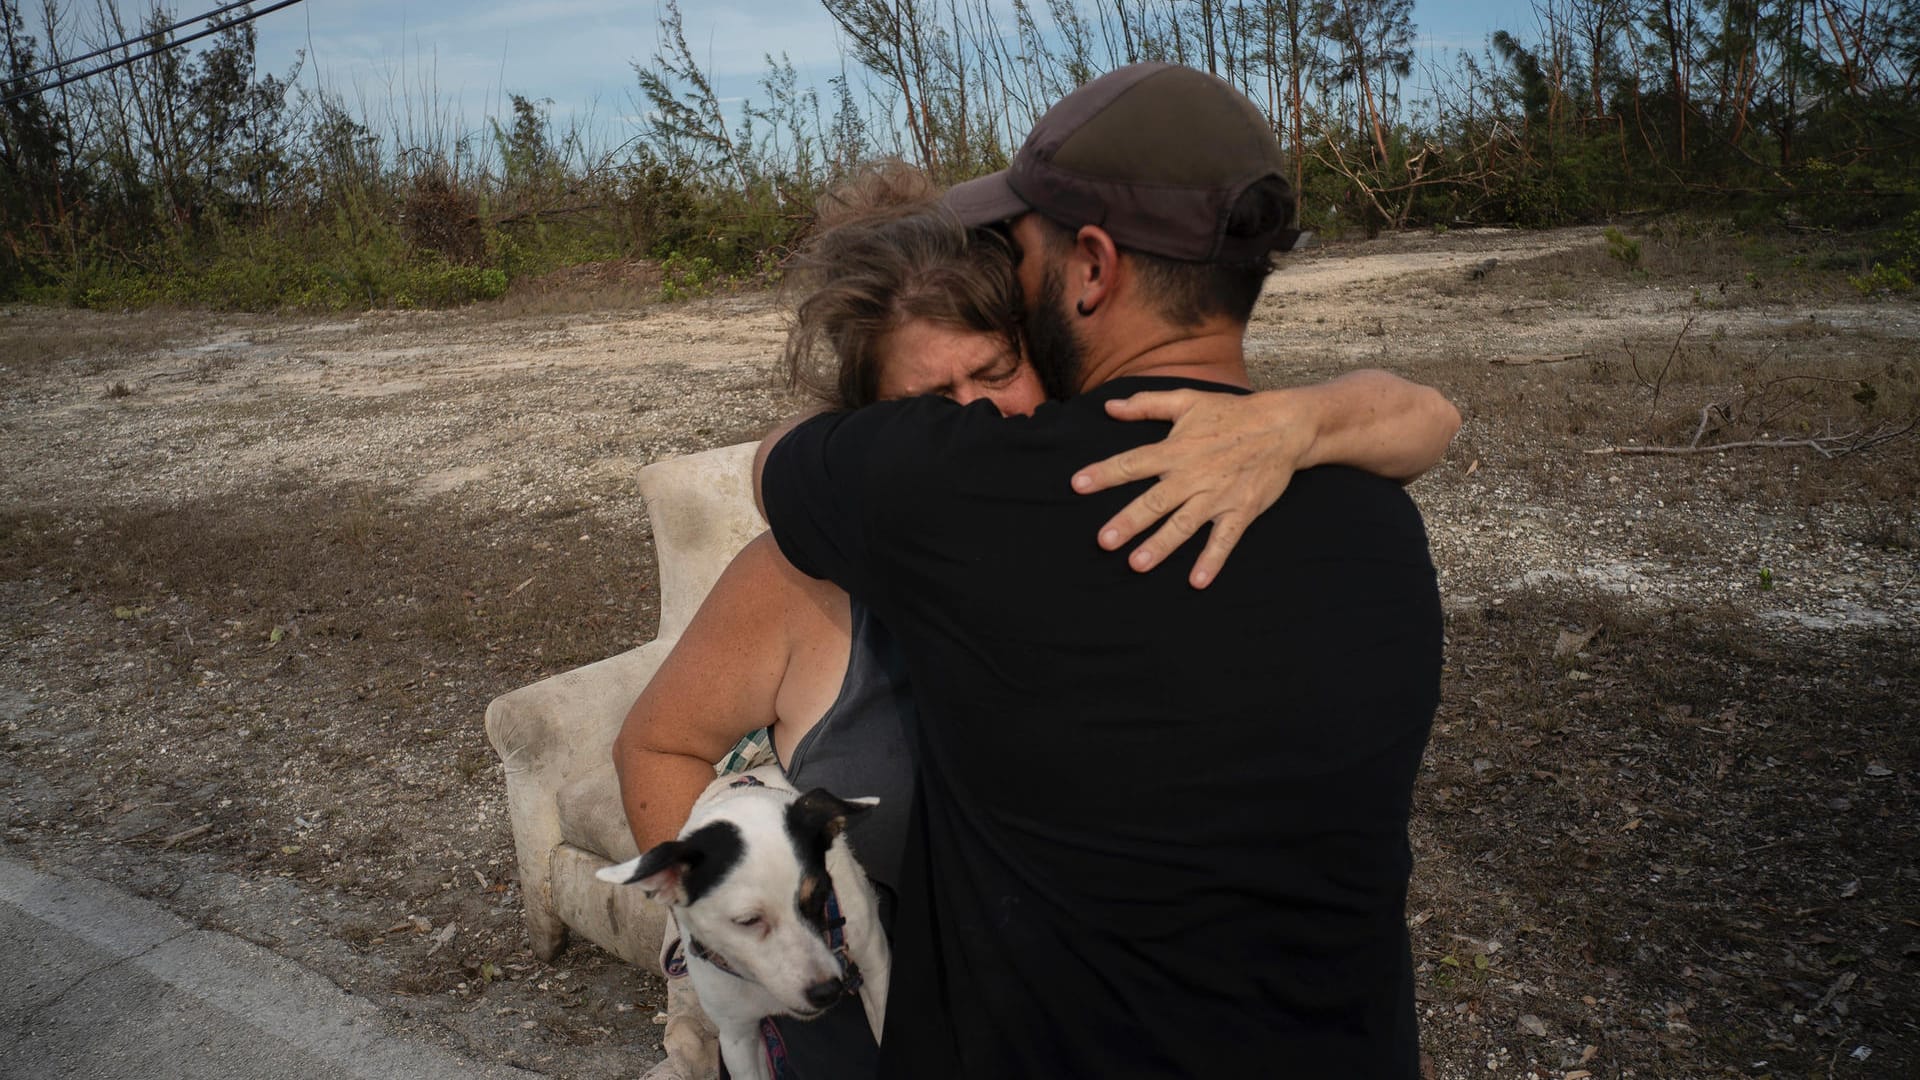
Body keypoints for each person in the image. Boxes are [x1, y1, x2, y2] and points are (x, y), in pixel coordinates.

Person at [621, 158, 1456, 1077]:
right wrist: (728, 930)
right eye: (929, 406)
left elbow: (1428, 418)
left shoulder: (1137, 510)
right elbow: (656, 746)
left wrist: (1301, 420)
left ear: (1043, 351)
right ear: (864, 433)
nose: (975, 419)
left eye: (995, 370)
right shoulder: (796, 583)